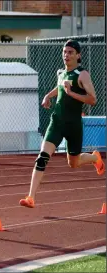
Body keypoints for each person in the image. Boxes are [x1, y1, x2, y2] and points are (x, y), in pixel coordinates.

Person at [19, 40, 105, 209]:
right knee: (42, 157)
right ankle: (31, 197)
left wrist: (71, 93)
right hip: (57, 121)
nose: (66, 55)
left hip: (73, 125)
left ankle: (95, 157)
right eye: (64, 52)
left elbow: (93, 99)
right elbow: (59, 88)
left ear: (78, 55)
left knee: (73, 163)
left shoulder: (82, 75)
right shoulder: (62, 73)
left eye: (70, 52)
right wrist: (48, 96)